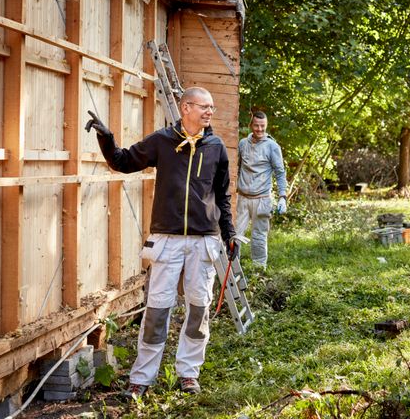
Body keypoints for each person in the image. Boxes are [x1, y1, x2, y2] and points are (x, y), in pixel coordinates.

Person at [85, 87, 237, 398]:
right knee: (156, 311)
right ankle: (141, 379)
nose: (210, 112)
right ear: (186, 108)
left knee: (199, 310)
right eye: (204, 107)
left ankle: (189, 374)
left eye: (212, 107)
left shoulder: (217, 148)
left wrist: (229, 232)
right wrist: (107, 138)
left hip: (203, 241)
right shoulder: (163, 141)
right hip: (166, 240)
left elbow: (221, 197)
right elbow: (122, 161)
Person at [235, 111, 288, 270]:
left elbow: (280, 172)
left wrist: (282, 197)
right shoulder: (243, 144)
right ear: (251, 125)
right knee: (234, 236)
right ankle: (231, 270)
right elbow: (235, 169)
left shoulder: (272, 146)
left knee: (259, 238)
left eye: (262, 126)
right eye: (256, 125)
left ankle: (258, 272)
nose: (259, 129)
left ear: (266, 126)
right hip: (242, 198)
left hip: (262, 199)